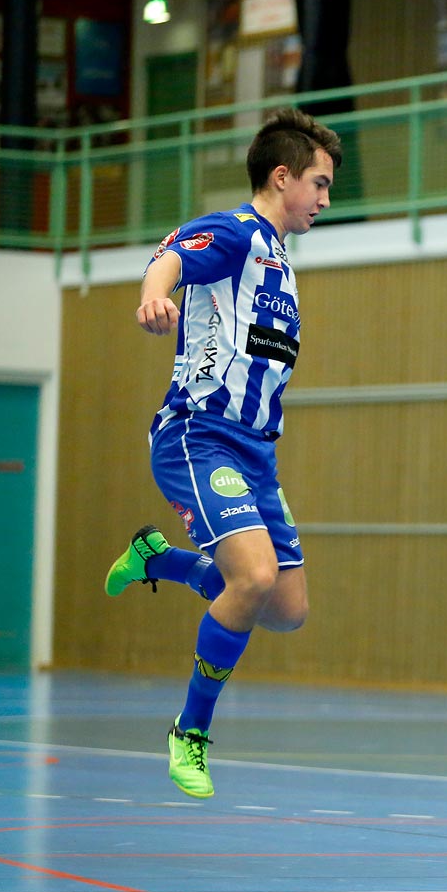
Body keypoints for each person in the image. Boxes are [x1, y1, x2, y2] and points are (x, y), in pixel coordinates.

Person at [103, 107, 342, 799]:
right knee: (254, 577)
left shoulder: (280, 260)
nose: (325, 200)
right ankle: (191, 732)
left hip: (257, 454)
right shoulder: (237, 233)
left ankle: (160, 559)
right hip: (199, 436)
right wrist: (154, 298)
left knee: (285, 607)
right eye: (319, 185)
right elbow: (170, 255)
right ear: (282, 176)